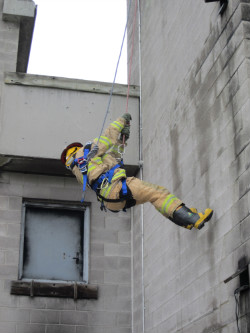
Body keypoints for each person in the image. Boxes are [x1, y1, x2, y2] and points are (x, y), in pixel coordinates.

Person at [61, 113, 213, 230]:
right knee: (159, 193)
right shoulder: (85, 150)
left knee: (154, 197)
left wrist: (122, 140)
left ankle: (184, 218)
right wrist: (122, 121)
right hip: (118, 188)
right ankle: (191, 217)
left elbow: (112, 157)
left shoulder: (81, 170)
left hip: (112, 201)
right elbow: (107, 138)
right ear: (76, 149)